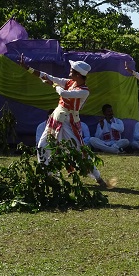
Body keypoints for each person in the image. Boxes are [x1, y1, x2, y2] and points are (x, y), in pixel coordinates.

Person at [20, 55, 107, 187]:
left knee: (79, 151)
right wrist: (28, 68)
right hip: (56, 119)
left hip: (70, 122)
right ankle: (48, 176)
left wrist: (53, 84)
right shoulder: (69, 83)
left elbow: (64, 94)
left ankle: (98, 178)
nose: (70, 71)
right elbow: (47, 76)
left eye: (72, 70)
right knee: (42, 146)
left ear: (78, 74)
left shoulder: (84, 91)